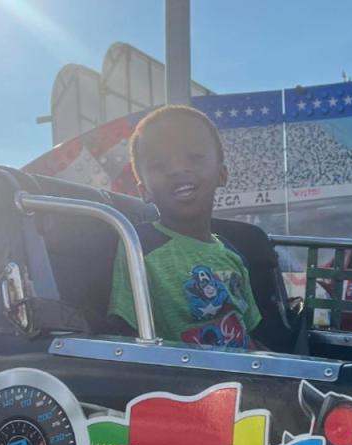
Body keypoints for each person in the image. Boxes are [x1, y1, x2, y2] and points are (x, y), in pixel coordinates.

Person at [108, 105, 262, 348]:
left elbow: (249, 333)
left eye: (195, 158)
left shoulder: (233, 253)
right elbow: (125, 336)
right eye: (160, 165)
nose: (178, 169)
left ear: (222, 174)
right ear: (144, 190)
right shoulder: (138, 247)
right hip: (186, 383)